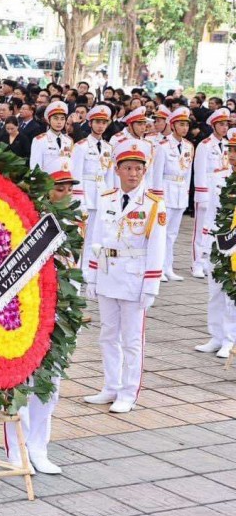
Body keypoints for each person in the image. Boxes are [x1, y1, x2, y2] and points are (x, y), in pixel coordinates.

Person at [82, 139, 165, 414]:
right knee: (108, 335)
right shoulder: (107, 199)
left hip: (134, 277)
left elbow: (156, 246)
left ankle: (129, 393)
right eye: (127, 168)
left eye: (138, 169)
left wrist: (151, 285)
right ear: (117, 170)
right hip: (107, 274)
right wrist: (91, 277)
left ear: (144, 171)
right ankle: (111, 386)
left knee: (132, 340)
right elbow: (95, 239)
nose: (133, 174)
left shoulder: (153, 204)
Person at [5, 169, 79, 475]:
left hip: (60, 312)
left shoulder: (75, 224)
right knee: (22, 383)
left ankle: (39, 447)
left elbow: (76, 268)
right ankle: (17, 448)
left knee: (51, 384)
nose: (65, 194)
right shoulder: (27, 224)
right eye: (59, 188)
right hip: (28, 313)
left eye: (68, 188)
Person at [194, 128, 236, 359]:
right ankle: (216, 336)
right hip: (217, 239)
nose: (232, 154)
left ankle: (230, 339)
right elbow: (210, 212)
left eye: (235, 150)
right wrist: (204, 242)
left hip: (235, 242)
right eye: (230, 149)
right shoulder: (219, 175)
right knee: (215, 290)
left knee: (232, 292)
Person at [150, 107, 194, 281]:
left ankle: (168, 267)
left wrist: (186, 192)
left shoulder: (189, 146)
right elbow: (157, 173)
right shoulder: (163, 146)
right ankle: (157, 267)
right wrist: (157, 196)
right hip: (166, 191)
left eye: (186, 125)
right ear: (173, 125)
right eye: (181, 124)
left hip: (180, 191)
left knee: (173, 233)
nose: (184, 128)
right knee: (161, 232)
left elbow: (188, 172)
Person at [192, 108, 230, 278]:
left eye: (226, 124)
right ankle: (197, 264)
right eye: (221, 124)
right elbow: (199, 171)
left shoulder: (228, 145)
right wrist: (202, 195)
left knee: (216, 228)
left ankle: (209, 262)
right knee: (202, 230)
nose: (224, 128)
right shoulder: (205, 145)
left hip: (222, 193)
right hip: (207, 191)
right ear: (213, 125)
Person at [70, 104, 114, 217]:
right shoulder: (81, 146)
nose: (101, 126)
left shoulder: (108, 147)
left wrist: (110, 198)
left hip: (102, 195)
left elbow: (109, 176)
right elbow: (76, 175)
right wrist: (78, 201)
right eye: (97, 122)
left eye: (104, 123)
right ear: (90, 123)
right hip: (86, 195)